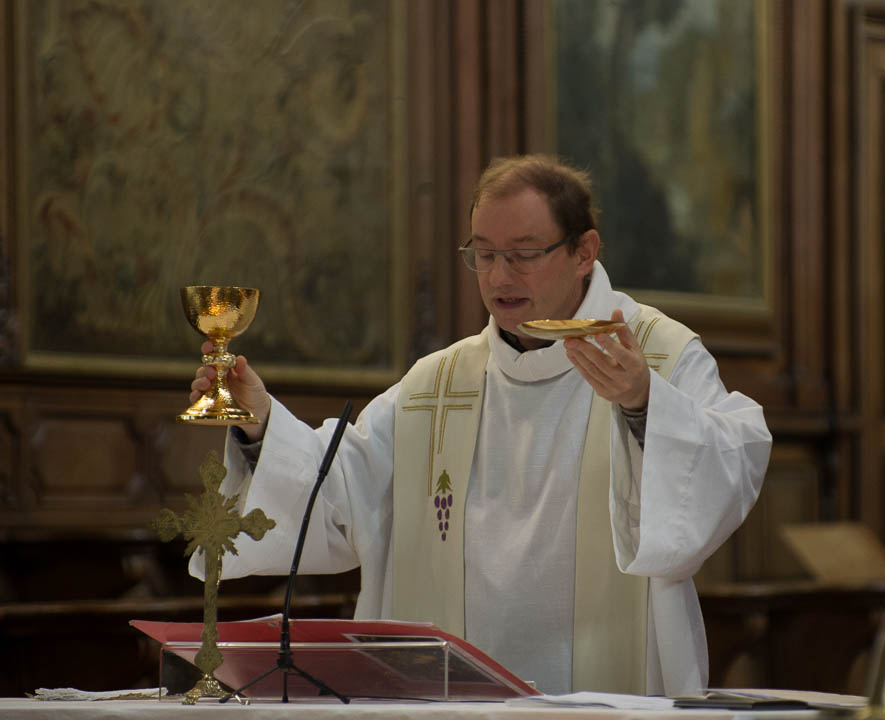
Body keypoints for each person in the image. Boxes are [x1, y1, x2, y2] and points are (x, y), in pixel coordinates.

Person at [189, 154, 771, 696]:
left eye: (523, 253)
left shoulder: (655, 355)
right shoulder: (438, 384)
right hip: (455, 702)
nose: (499, 277)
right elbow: (342, 498)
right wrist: (261, 424)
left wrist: (644, 404)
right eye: (484, 254)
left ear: (583, 251)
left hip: (610, 696)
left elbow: (733, 461)